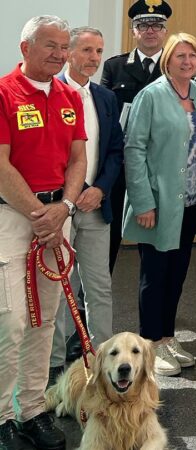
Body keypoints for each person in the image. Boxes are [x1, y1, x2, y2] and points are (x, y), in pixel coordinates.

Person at [0, 15, 86, 450]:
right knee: (10, 320)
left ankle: (32, 409)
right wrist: (42, 215)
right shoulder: (3, 92)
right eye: (49, 45)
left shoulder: (70, 96)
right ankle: (2, 418)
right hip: (14, 219)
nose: (59, 53)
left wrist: (64, 209)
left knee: (44, 320)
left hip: (57, 216)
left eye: (63, 46)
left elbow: (77, 160)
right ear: (25, 48)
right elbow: (0, 166)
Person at [123, 32, 196, 377]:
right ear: (167, 60)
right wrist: (144, 202)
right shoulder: (151, 95)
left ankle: (167, 337)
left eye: (192, 55)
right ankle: (149, 343)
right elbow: (134, 149)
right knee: (154, 275)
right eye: (180, 56)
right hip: (158, 204)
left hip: (189, 202)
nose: (187, 61)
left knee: (176, 274)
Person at [50, 26, 124, 382]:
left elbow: (114, 151)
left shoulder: (106, 98)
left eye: (99, 51)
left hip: (95, 206)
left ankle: (103, 357)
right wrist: (65, 197)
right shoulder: (50, 94)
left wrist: (101, 189)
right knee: (58, 287)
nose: (94, 58)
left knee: (98, 285)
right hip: (58, 209)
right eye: (86, 50)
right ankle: (53, 364)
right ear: (68, 53)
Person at [101, 0, 172, 275]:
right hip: (122, 164)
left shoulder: (177, 66)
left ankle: (155, 312)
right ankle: (87, 309)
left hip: (160, 166)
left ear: (165, 31)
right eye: (143, 25)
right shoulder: (115, 67)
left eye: (157, 25)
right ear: (133, 30)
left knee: (154, 245)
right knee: (108, 237)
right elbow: (107, 118)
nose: (151, 30)